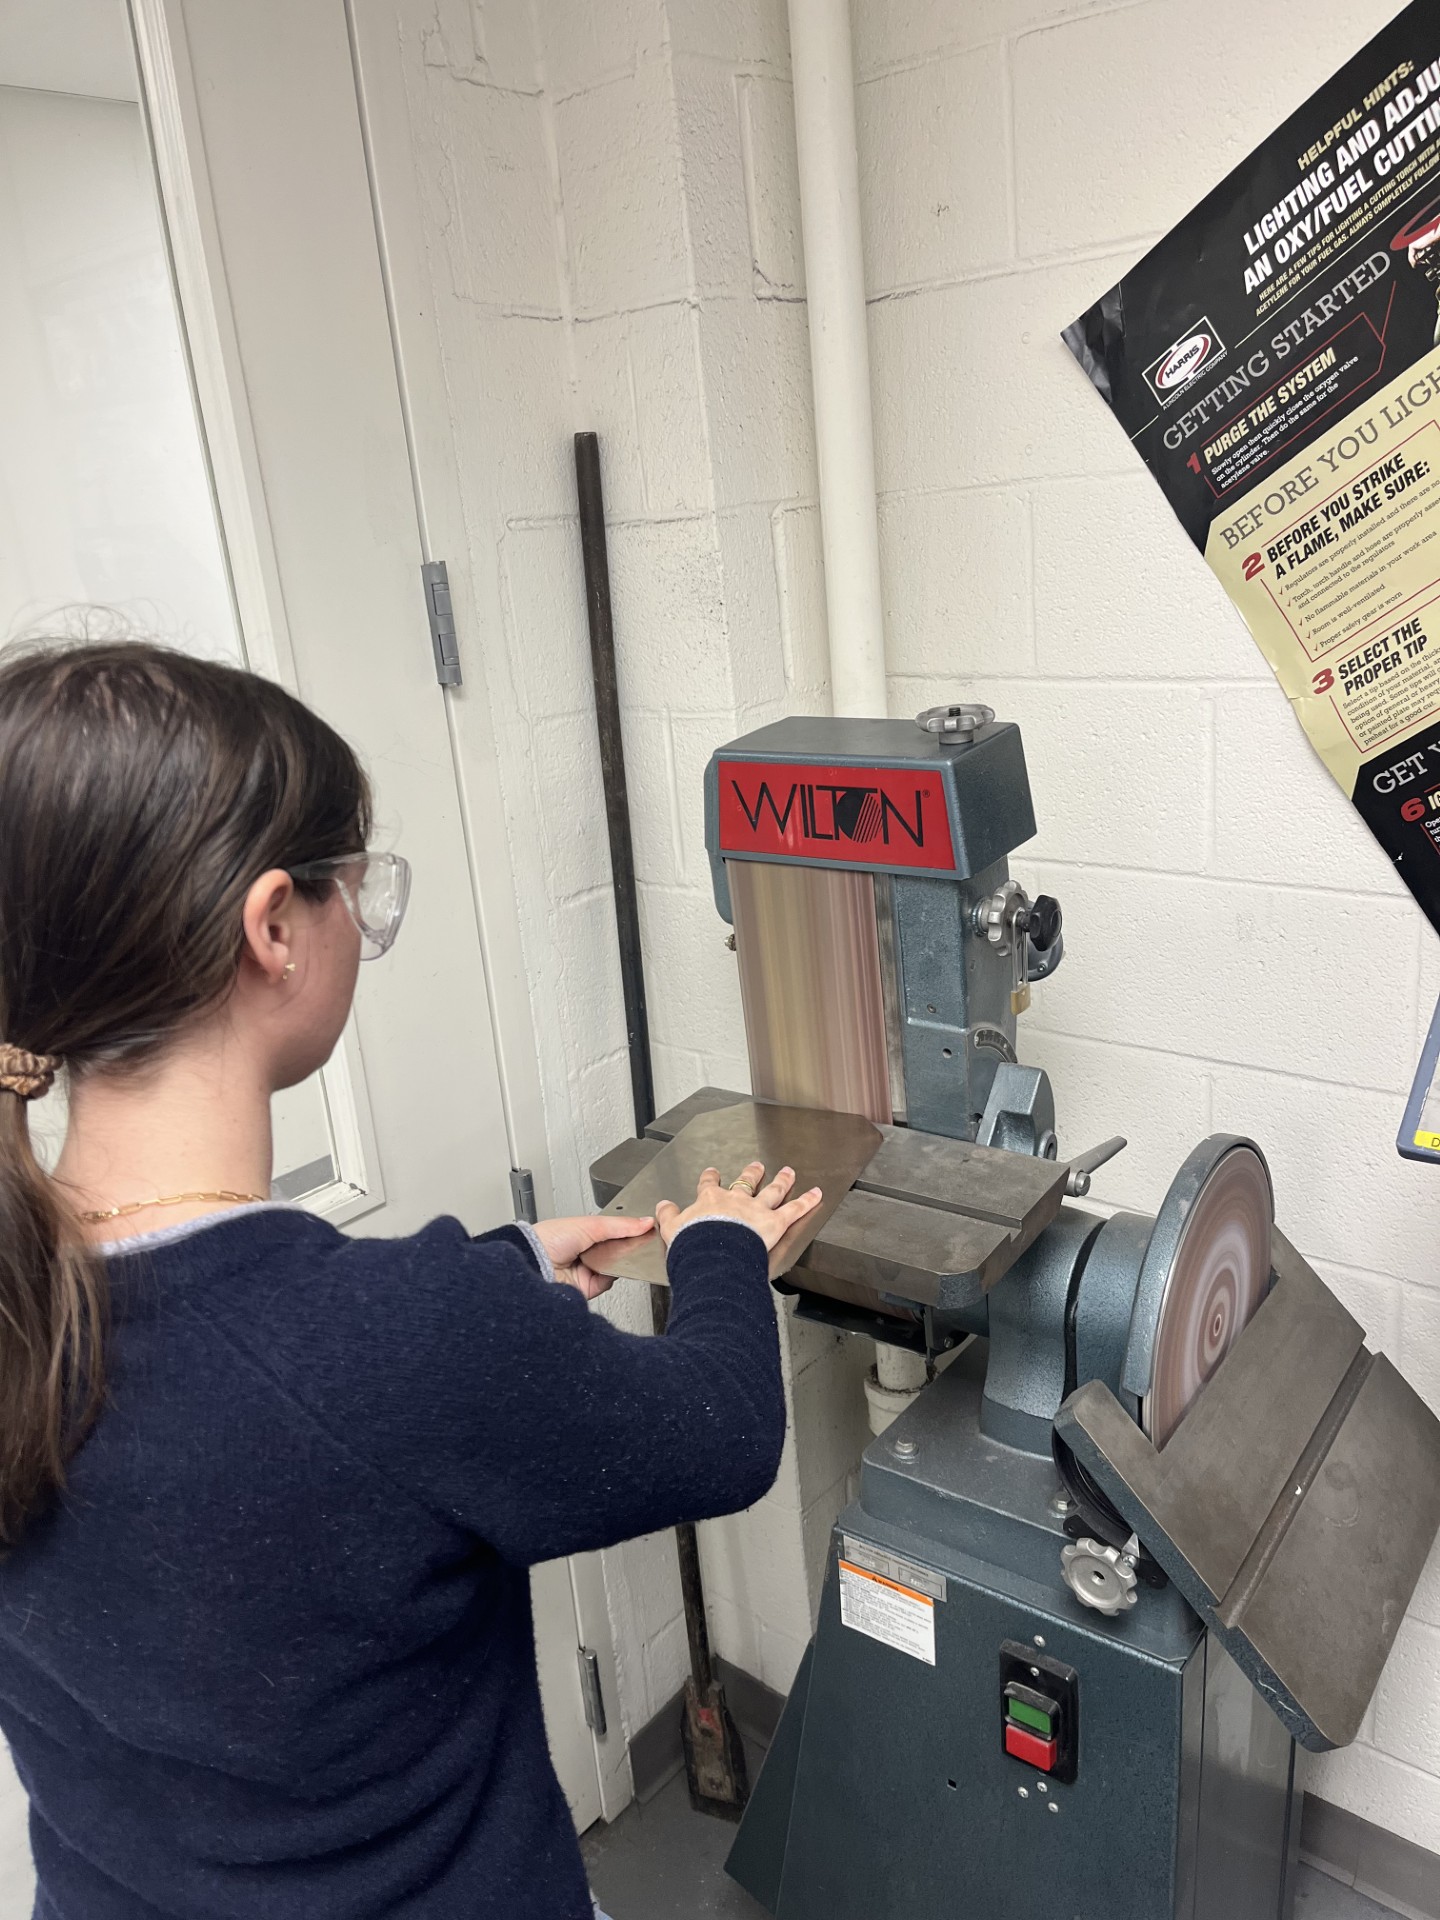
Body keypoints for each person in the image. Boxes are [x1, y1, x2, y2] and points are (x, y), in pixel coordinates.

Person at [0, 641, 821, 1920]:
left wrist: (500, 1274)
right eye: (351, 891)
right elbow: (720, 1435)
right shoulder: (410, 1341)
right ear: (274, 926)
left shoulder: (23, 1303)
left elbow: (273, 1377)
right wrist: (720, 1248)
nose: (359, 925)